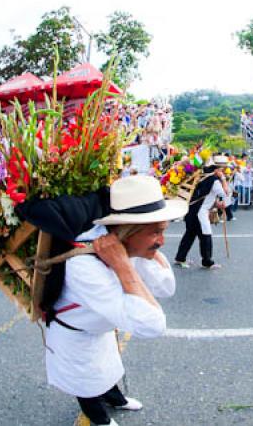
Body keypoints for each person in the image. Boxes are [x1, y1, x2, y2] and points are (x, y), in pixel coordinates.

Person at [44, 175, 187, 426]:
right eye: (156, 231)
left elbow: (166, 286)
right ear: (127, 232)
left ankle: (115, 399)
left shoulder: (123, 243)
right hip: (76, 337)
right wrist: (122, 264)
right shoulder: (83, 265)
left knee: (107, 369)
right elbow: (152, 325)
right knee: (86, 382)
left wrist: (145, 251)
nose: (162, 240)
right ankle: (100, 419)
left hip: (99, 330)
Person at [174, 155, 231, 269]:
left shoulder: (201, 176)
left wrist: (216, 204)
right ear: (219, 169)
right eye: (223, 169)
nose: (225, 171)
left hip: (192, 210)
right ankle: (207, 262)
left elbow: (205, 196)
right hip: (200, 212)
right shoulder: (214, 180)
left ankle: (180, 258)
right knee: (206, 235)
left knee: (190, 235)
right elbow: (226, 193)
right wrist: (223, 179)